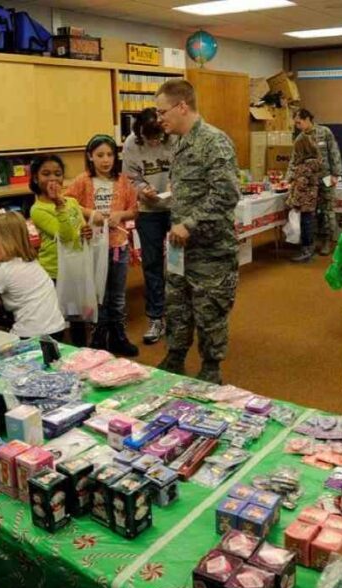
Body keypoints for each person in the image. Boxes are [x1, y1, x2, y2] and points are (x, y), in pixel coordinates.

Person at [154, 78, 240, 384]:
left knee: (209, 311)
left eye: (162, 111)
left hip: (210, 249)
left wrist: (189, 224)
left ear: (182, 106)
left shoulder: (214, 142)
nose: (159, 118)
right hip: (181, 248)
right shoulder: (180, 142)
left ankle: (211, 368)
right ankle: (175, 358)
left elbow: (227, 195)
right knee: (177, 306)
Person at [65, 134, 140, 356]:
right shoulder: (82, 181)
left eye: (109, 154)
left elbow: (134, 209)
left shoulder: (123, 180)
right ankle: (99, 336)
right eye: (100, 155)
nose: (106, 160)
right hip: (93, 247)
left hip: (118, 245)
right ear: (90, 156)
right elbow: (68, 204)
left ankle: (118, 336)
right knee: (98, 294)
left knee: (117, 295)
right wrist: (91, 213)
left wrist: (120, 215)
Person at [123, 108, 175, 345]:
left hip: (176, 208)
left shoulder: (175, 136)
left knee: (180, 262)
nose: (152, 144)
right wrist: (143, 190)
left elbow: (186, 169)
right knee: (152, 264)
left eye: (157, 139)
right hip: (148, 210)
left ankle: (179, 316)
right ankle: (156, 318)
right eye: (147, 139)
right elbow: (130, 178)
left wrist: (178, 184)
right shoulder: (132, 143)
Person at [29, 155, 92, 346]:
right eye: (46, 174)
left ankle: (81, 354)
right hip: (54, 270)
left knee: (78, 317)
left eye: (57, 174)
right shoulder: (38, 210)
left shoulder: (71, 203)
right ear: (35, 178)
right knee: (55, 320)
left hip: (76, 267)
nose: (52, 179)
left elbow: (78, 232)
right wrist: (59, 205)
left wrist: (87, 233)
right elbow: (64, 236)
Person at [290, 109, 342, 256]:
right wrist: (290, 178)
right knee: (309, 212)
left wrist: (336, 173)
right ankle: (311, 242)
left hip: (326, 177)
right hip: (309, 181)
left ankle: (327, 241)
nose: (298, 126)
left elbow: (334, 152)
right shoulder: (300, 138)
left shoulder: (324, 132)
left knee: (327, 210)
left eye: (299, 122)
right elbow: (294, 159)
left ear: (307, 119)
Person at [285, 133, 323, 263]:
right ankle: (309, 247)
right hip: (311, 198)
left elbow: (301, 185)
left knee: (305, 224)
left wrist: (293, 201)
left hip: (303, 200)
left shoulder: (304, 166)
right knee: (309, 223)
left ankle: (306, 250)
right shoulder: (315, 162)